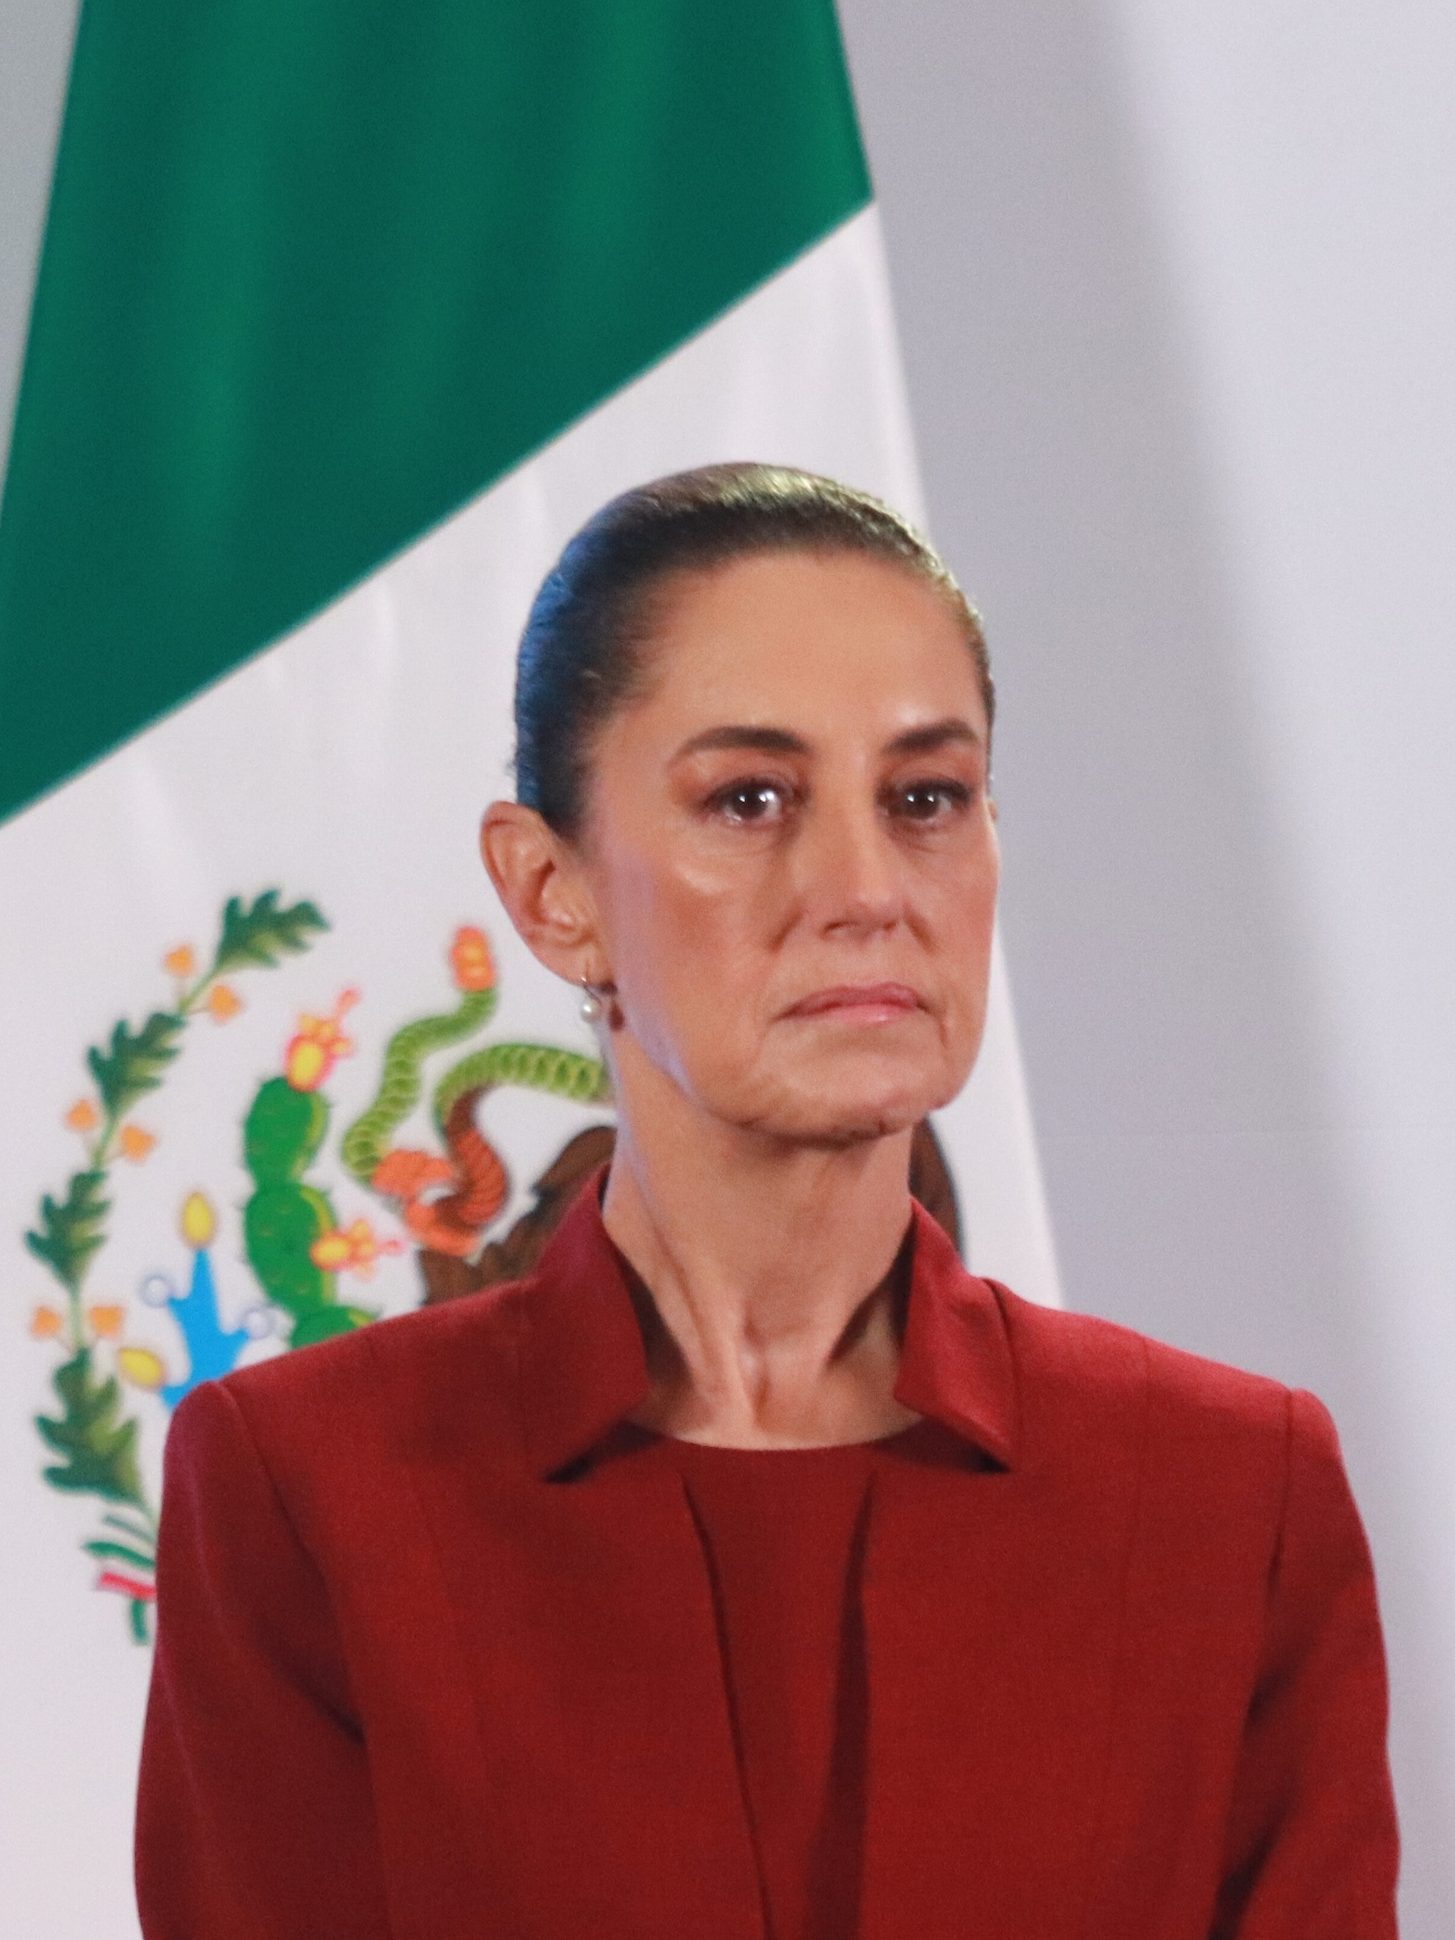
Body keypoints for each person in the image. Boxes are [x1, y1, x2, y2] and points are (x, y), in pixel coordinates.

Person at [134, 463, 1400, 1938]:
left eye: (927, 795)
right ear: (552, 891)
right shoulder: (306, 1489)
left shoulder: (1230, 1494)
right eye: (749, 798)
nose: (866, 885)